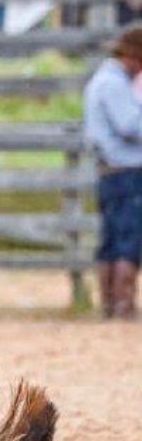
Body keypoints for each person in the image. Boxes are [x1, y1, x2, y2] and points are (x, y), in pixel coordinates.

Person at [83, 25, 142, 319]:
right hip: (127, 169)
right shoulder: (114, 84)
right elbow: (130, 125)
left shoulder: (104, 81)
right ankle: (122, 305)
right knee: (128, 240)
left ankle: (109, 303)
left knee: (112, 238)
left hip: (112, 169)